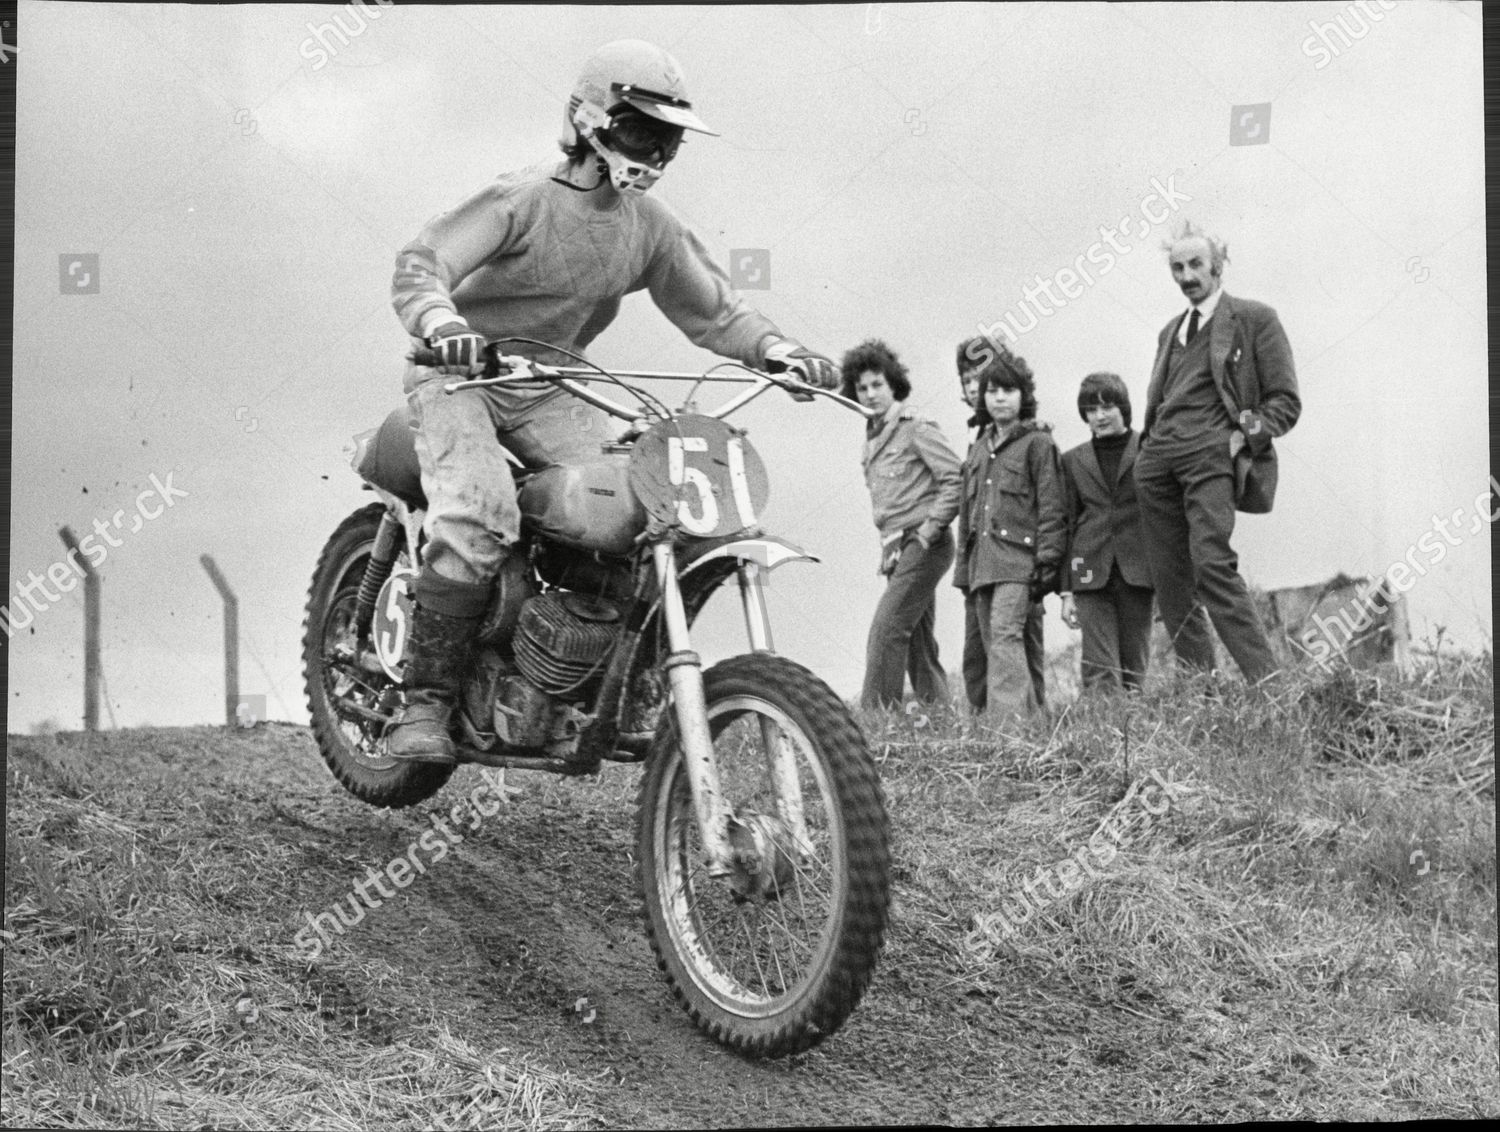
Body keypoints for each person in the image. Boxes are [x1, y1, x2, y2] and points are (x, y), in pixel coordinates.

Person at [386, 39, 839, 763]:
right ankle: (425, 703)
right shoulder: (522, 198)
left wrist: (779, 352)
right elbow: (423, 262)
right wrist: (443, 326)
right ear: (591, 118)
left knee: (643, 501)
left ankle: (594, 682)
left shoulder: (649, 227)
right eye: (639, 129)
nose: (653, 150)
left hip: (548, 381)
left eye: (666, 138)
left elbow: (717, 311)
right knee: (479, 514)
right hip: (459, 374)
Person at [1134, 220, 1300, 684]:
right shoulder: (1170, 331)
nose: (1186, 275)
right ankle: (1201, 693)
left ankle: (1269, 686)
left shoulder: (1254, 318)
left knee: (1213, 567)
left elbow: (1285, 401)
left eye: (1195, 265)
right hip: (1157, 463)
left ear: (1218, 266)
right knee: (1169, 584)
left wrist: (1240, 437)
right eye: (1177, 267)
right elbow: (1161, 398)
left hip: (1210, 457)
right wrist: (1147, 453)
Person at [842, 340, 962, 711]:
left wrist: (928, 532)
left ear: (893, 384)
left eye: (877, 384)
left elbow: (956, 480)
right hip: (895, 547)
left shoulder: (916, 427)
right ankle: (943, 720)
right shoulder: (871, 437)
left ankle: (876, 725)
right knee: (917, 642)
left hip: (925, 542)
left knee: (887, 629)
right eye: (862, 388)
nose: (870, 393)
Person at [953, 344, 1065, 720]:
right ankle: (1033, 727)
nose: (1000, 398)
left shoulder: (1038, 444)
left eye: (1009, 390)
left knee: (1004, 639)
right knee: (992, 645)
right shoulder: (979, 449)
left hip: (1019, 565)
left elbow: (1052, 507)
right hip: (982, 567)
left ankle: (1007, 738)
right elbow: (966, 515)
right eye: (992, 390)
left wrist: (1048, 563)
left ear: (1024, 396)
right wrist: (962, 571)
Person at [1059, 372, 1154, 693]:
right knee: (1099, 667)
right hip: (1087, 571)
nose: (1099, 416)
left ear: (1124, 408)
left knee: (1135, 667)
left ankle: (1136, 737)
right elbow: (1067, 525)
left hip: (1139, 570)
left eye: (1107, 407)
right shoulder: (1071, 460)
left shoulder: (1150, 449)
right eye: (1090, 409)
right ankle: (1104, 739)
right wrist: (1067, 591)